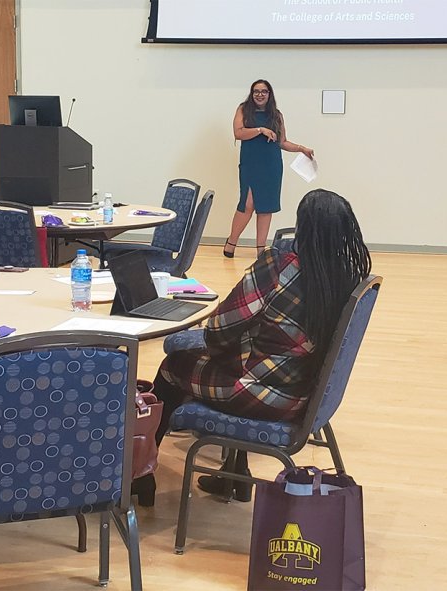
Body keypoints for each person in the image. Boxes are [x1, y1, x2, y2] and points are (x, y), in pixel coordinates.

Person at [153, 189, 371, 500]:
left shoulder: (280, 267)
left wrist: (218, 346)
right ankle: (235, 475)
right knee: (241, 364)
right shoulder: (347, 281)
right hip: (303, 398)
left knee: (173, 366)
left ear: (302, 228)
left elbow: (219, 327)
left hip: (262, 397)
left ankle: (141, 473)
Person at [223, 79, 316, 258]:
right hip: (250, 164)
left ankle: (260, 250)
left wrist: (302, 149)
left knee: (266, 207)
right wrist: (260, 130)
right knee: (247, 204)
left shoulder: (276, 115)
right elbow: (238, 132)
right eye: (256, 91)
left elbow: (282, 142)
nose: (260, 94)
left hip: (271, 165)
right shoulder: (243, 109)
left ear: (269, 94)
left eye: (264, 91)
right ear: (252, 93)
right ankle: (231, 242)